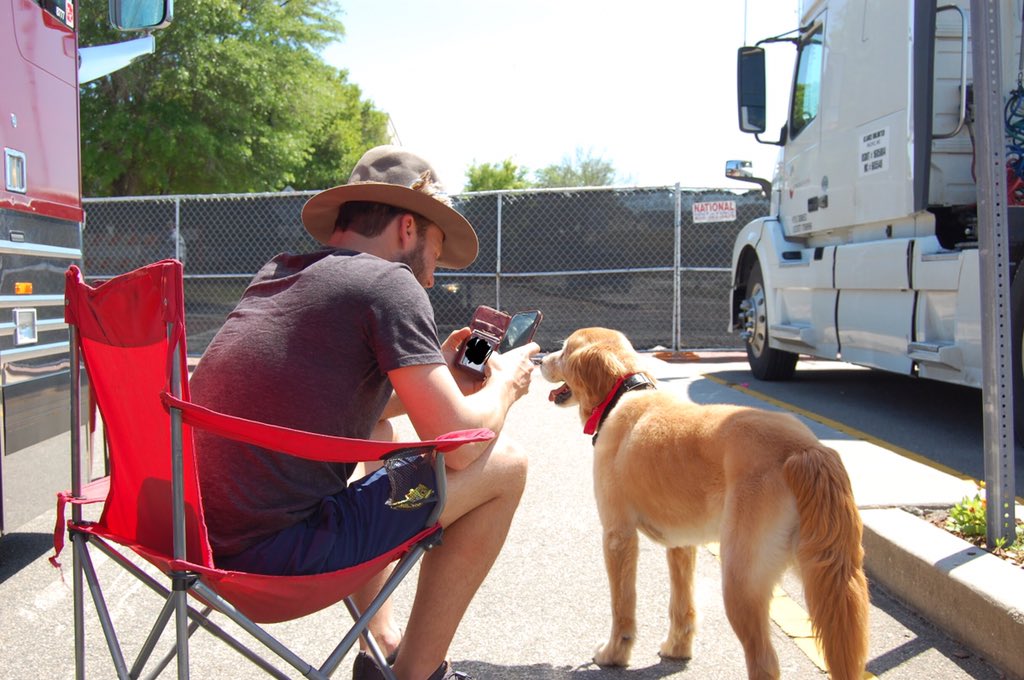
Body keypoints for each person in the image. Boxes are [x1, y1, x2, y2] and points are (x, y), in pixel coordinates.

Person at [189, 145, 538, 680]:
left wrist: (438, 374)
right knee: (505, 463)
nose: (430, 278)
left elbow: (325, 403)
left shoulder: (279, 273)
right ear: (407, 228)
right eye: (434, 252)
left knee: (378, 425)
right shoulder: (389, 283)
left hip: (190, 539)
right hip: (273, 561)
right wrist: (508, 383)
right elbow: (462, 447)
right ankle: (417, 674)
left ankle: (381, 643)